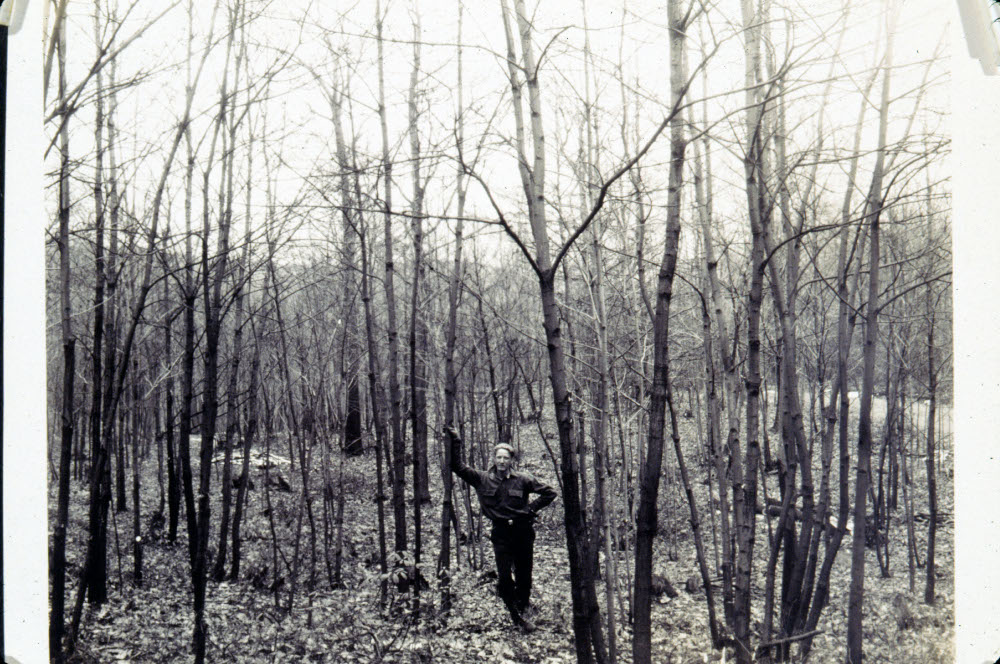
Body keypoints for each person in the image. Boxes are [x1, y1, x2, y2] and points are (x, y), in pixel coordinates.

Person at [444, 425, 557, 633]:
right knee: (504, 576)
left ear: (511, 460)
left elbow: (550, 493)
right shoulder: (482, 478)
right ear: (494, 459)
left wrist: (531, 508)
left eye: (506, 458)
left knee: (524, 575)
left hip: (522, 531)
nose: (502, 461)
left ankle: (522, 608)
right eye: (499, 458)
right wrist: (456, 441)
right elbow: (457, 467)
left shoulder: (523, 479)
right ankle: (515, 615)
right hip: (501, 533)